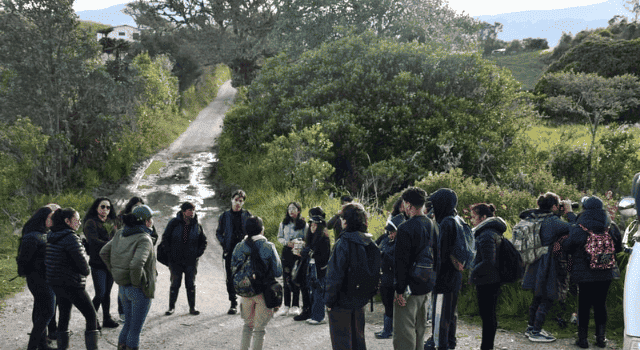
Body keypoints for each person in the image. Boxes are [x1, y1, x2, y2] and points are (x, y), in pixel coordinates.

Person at [563, 196, 622, 348]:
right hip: (606, 272)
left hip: (584, 273)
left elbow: (568, 247)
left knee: (583, 305)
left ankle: (582, 339)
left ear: (585, 209)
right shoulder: (611, 226)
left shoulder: (579, 227)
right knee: (600, 304)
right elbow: (619, 248)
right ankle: (601, 338)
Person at [100, 204, 159, 350]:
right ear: (145, 221)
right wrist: (136, 283)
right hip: (138, 289)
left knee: (128, 324)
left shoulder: (120, 233)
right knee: (135, 330)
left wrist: (116, 272)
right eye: (151, 218)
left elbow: (103, 253)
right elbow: (136, 264)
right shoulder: (145, 239)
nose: (152, 221)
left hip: (123, 288)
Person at [521, 192, 576, 342]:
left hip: (535, 260)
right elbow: (576, 229)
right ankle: (536, 332)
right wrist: (569, 212)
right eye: (558, 205)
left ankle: (531, 327)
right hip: (548, 263)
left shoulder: (534, 217)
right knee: (548, 296)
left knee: (537, 296)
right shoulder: (552, 221)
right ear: (553, 206)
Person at [325, 202, 379, 350]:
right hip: (360, 299)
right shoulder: (370, 241)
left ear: (345, 222)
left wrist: (329, 301)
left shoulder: (343, 242)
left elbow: (334, 276)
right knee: (358, 340)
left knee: (342, 342)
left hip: (341, 301)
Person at [45, 208, 99, 350]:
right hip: (72, 283)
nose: (80, 222)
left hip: (56, 283)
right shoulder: (70, 237)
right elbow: (85, 269)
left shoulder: (51, 235)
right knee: (91, 316)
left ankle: (62, 348)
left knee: (64, 316)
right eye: (77, 219)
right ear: (67, 221)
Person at [393, 187, 438, 350]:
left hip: (409, 287)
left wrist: (399, 289)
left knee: (404, 332)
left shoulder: (405, 228)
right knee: (420, 329)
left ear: (409, 205)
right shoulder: (433, 225)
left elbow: (401, 262)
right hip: (427, 283)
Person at [231, 216, 283, 350]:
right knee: (259, 330)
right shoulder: (268, 246)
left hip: (245, 291)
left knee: (247, 326)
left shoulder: (239, 246)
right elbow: (278, 272)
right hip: (263, 293)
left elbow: (232, 268)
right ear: (262, 230)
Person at [17, 204, 60, 350]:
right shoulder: (31, 236)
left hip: (46, 278)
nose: (52, 220)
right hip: (38, 279)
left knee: (40, 311)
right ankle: (33, 346)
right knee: (48, 311)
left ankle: (42, 344)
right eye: (51, 217)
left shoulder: (44, 233)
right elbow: (23, 261)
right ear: (43, 217)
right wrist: (36, 270)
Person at [424, 188, 462, 350]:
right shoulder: (456, 219)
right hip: (454, 277)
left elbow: (441, 255)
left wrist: (433, 279)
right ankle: (450, 344)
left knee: (440, 318)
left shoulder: (445, 223)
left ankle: (441, 345)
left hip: (443, 279)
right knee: (450, 315)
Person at [469, 203, 507, 350]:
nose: (472, 221)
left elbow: (488, 261)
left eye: (474, 217)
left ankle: (486, 346)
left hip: (488, 280)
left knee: (487, 315)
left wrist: (472, 272)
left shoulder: (486, 234)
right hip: (492, 278)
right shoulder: (492, 231)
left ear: (483, 217)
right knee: (488, 314)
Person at [161, 201, 208, 316]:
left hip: (191, 261)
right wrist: (169, 254)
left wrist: (197, 254)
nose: (192, 213)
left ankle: (192, 307)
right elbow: (165, 238)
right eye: (189, 210)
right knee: (175, 283)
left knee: (190, 284)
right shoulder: (174, 223)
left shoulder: (197, 225)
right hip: (175, 260)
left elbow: (204, 241)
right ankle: (171, 307)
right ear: (183, 212)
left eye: (193, 210)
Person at [83, 197, 120, 330]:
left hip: (110, 262)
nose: (105, 210)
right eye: (102, 207)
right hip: (97, 262)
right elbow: (93, 241)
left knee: (107, 293)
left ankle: (107, 318)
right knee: (100, 293)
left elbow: (118, 237)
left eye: (108, 207)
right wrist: (113, 245)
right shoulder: (90, 223)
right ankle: (91, 320)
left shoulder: (112, 222)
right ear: (96, 208)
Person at [216, 189, 252, 315]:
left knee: (245, 276)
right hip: (229, 250)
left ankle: (246, 303)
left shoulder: (247, 215)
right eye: (236, 200)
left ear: (243, 202)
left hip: (244, 251)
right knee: (230, 278)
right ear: (231, 200)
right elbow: (218, 232)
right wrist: (223, 243)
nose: (238, 203)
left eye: (240, 201)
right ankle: (233, 303)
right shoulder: (225, 216)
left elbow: (253, 231)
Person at [374, 212, 405, 339]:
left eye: (392, 232)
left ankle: (390, 330)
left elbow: (397, 261)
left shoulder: (401, 243)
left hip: (393, 277)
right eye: (389, 232)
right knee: (386, 303)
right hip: (385, 276)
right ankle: (387, 328)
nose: (390, 234)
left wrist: (383, 255)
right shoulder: (387, 240)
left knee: (393, 305)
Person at [275, 201, 307, 318]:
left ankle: (295, 305)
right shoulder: (283, 224)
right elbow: (279, 237)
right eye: (289, 209)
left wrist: (299, 243)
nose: (291, 211)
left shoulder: (304, 224)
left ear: (298, 211)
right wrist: (286, 242)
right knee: (286, 277)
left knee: (297, 278)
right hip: (287, 252)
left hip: (298, 253)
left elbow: (307, 239)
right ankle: (286, 305)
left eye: (294, 209)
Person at [300, 206, 331, 325]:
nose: (312, 227)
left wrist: (309, 253)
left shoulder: (324, 239)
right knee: (313, 291)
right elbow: (307, 252)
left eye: (315, 225)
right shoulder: (311, 237)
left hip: (320, 269)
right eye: (311, 225)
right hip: (312, 268)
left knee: (318, 292)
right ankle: (314, 315)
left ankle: (319, 317)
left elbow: (322, 257)